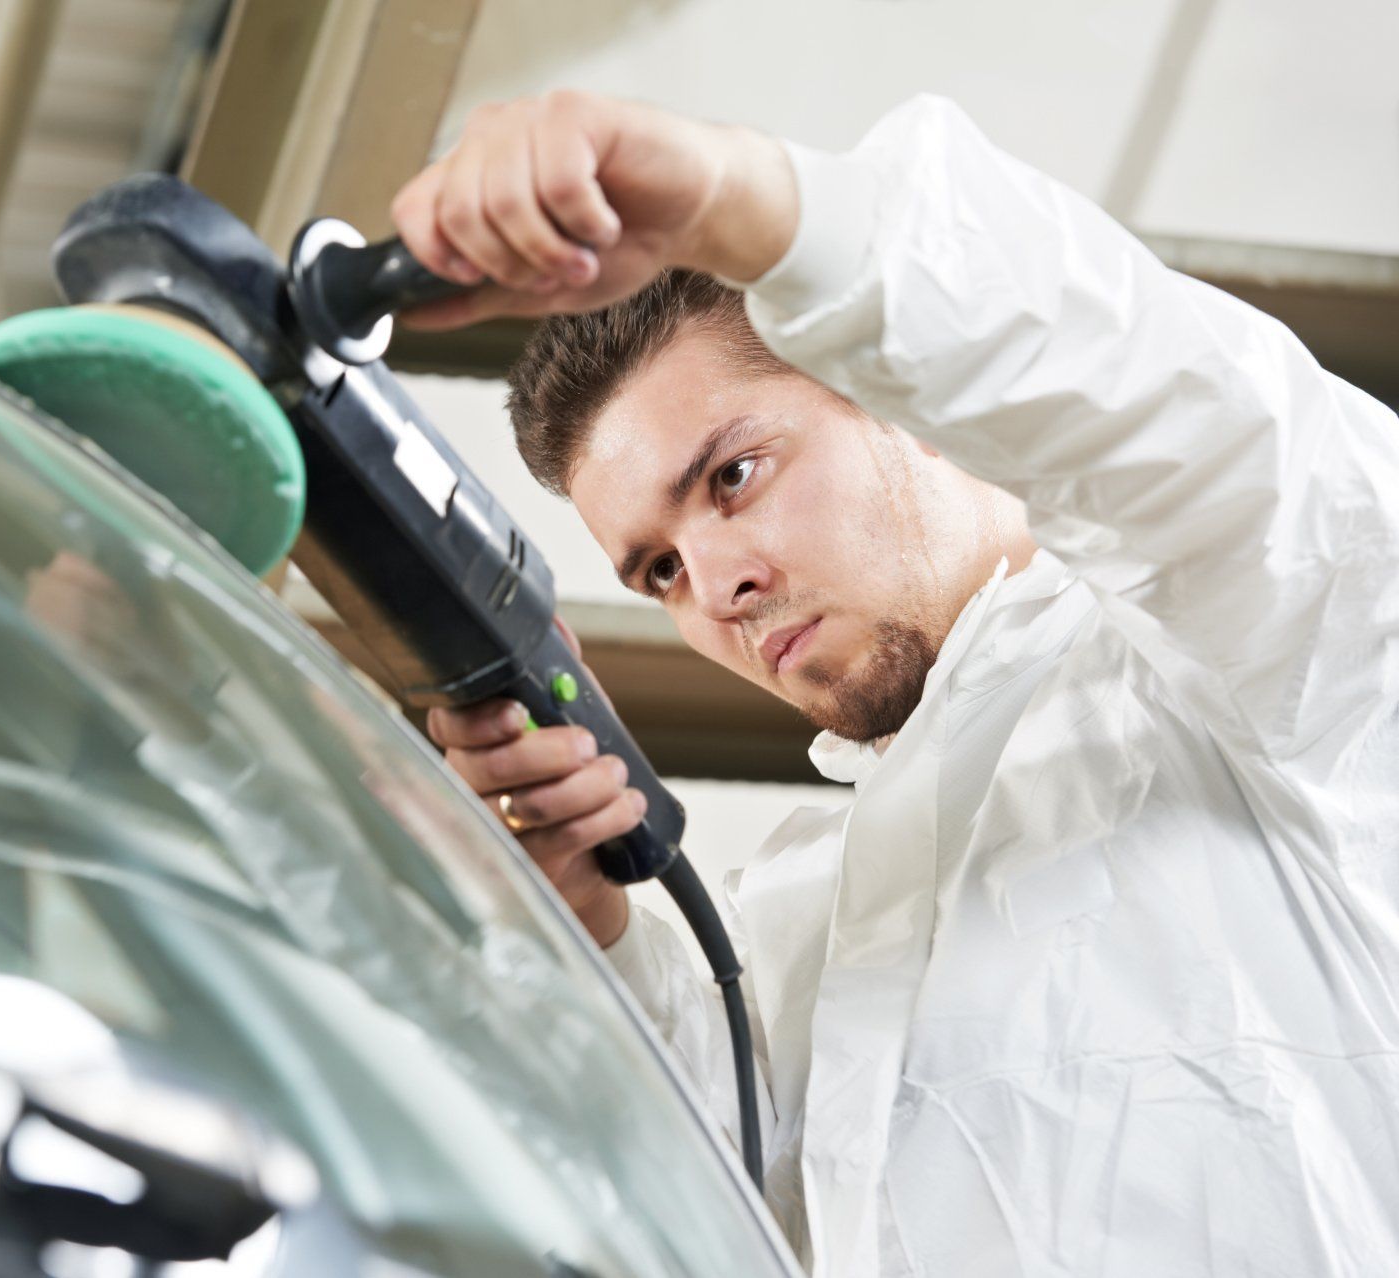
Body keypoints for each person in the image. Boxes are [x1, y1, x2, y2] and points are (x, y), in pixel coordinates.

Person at [390, 90, 1399, 1277]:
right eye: (657, 569)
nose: (713, 587)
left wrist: (748, 205)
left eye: (734, 476)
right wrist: (590, 936)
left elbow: (1187, 414)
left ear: (906, 401)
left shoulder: (1263, 668)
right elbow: (699, 1202)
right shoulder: (799, 922)